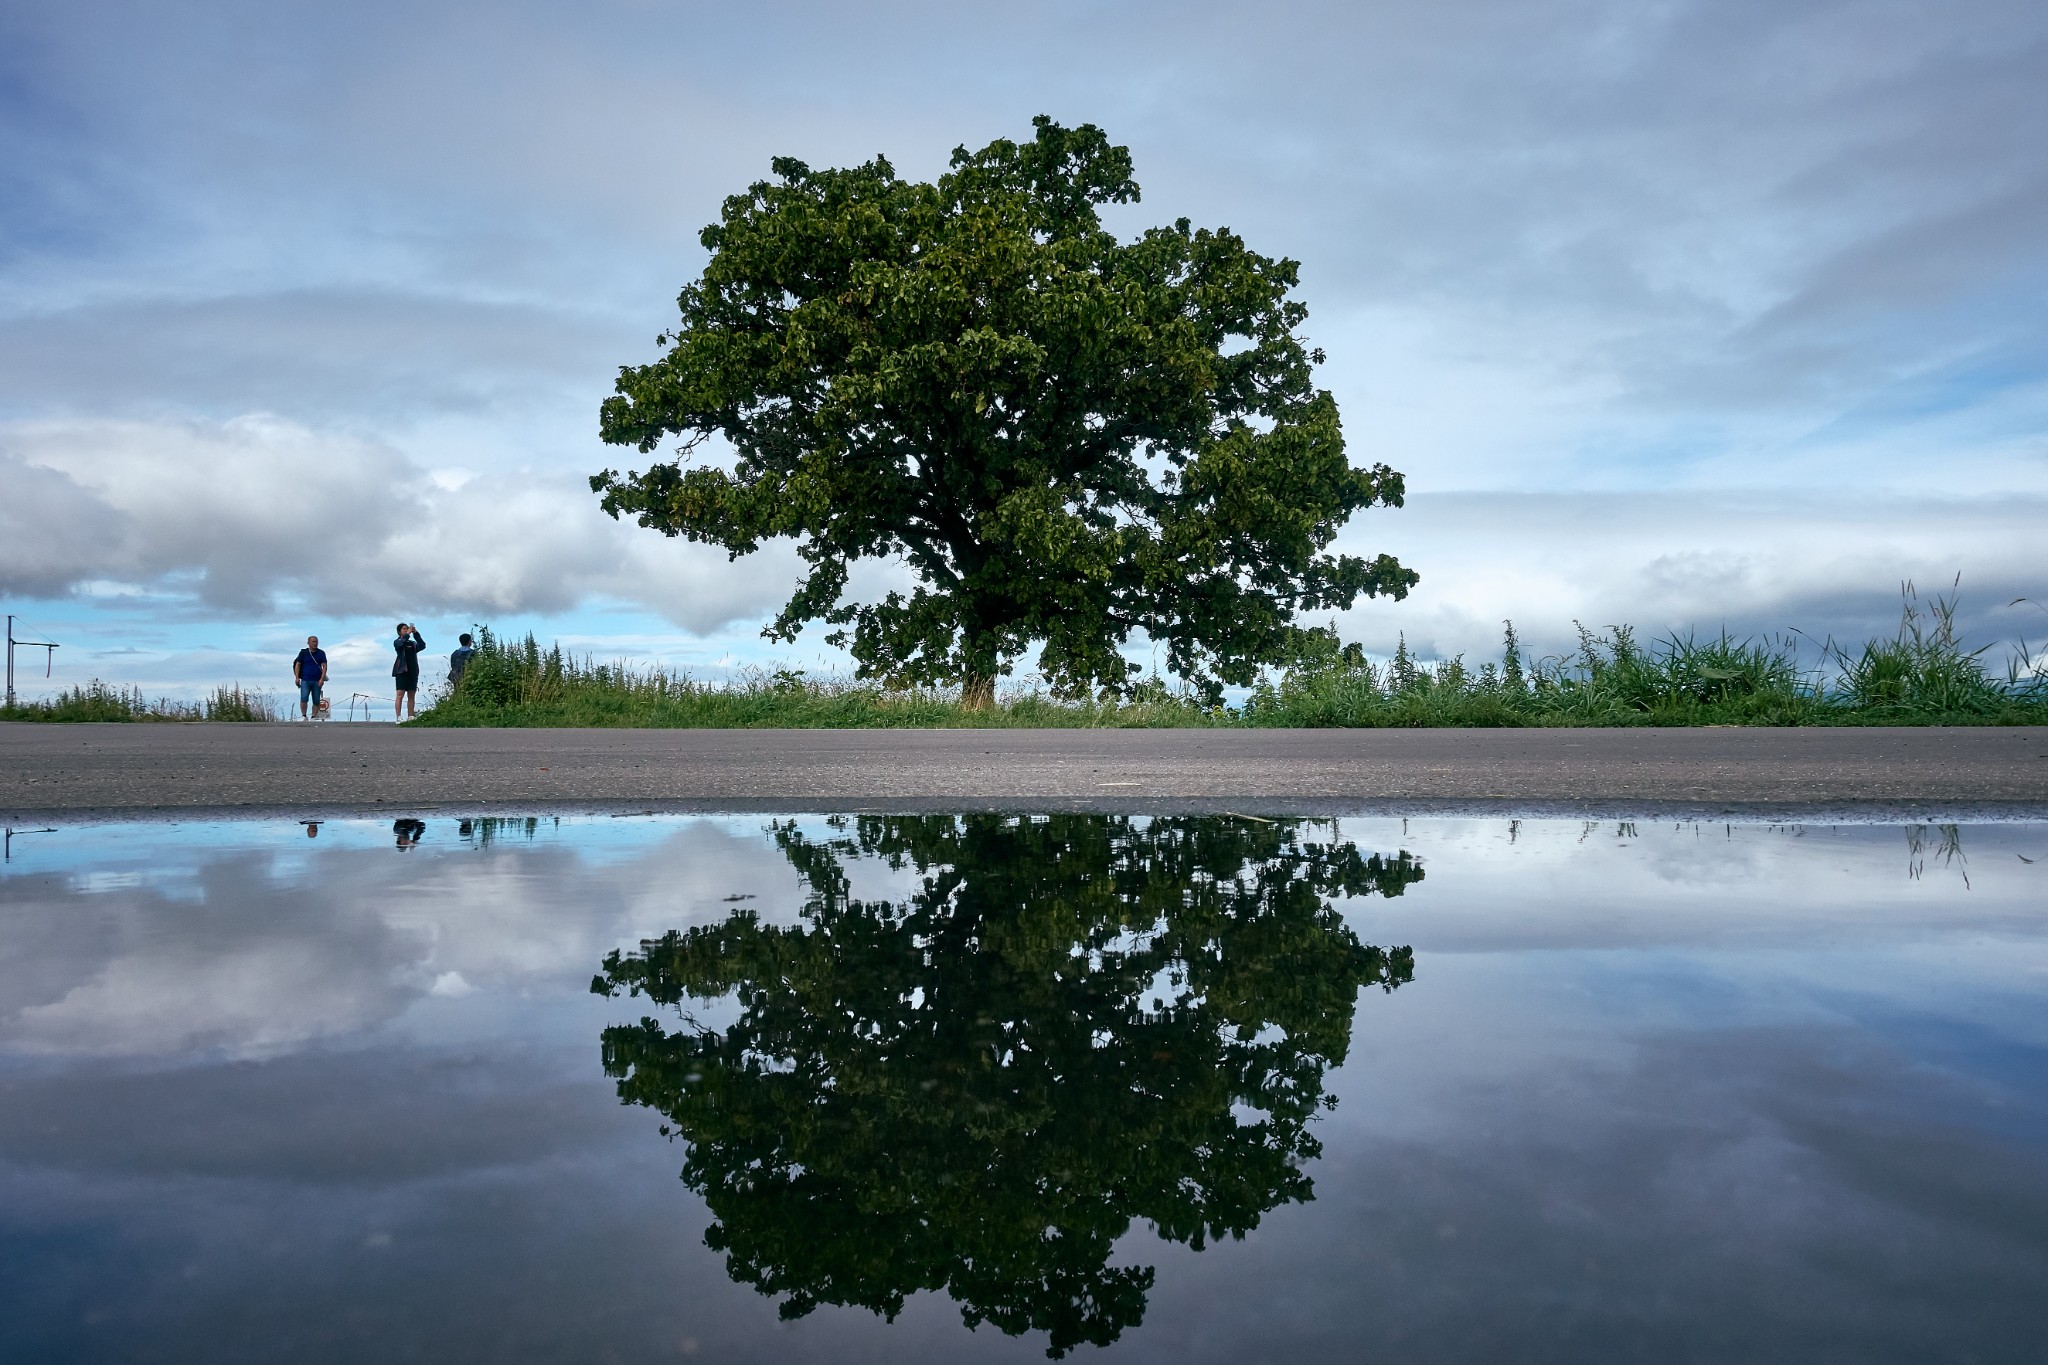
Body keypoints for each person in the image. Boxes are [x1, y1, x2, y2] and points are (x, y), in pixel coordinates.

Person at [392, 623, 427, 720]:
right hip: (401, 671)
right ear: (399, 632)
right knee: (400, 694)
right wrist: (406, 635)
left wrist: (416, 634)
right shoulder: (397, 642)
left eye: (407, 629)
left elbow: (423, 645)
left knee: (411, 694)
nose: (406, 630)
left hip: (413, 671)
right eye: (404, 629)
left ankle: (411, 716)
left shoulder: (412, 644)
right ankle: (398, 717)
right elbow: (400, 645)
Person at [293, 635, 328, 720]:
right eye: (313, 642)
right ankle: (304, 716)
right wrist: (297, 677)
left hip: (317, 680)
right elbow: (298, 664)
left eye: (316, 641)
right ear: (308, 643)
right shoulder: (303, 652)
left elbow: (324, 666)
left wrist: (321, 679)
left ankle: (313, 717)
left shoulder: (321, 653)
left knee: (316, 699)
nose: (315, 643)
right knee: (304, 698)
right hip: (305, 679)